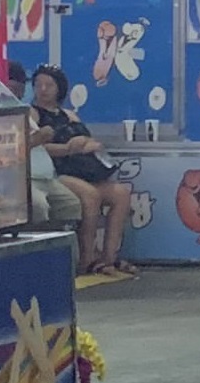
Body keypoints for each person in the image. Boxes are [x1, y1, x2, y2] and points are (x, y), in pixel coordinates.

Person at [23, 64, 138, 276]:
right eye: (38, 84)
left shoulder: (69, 114)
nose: (43, 89)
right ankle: (87, 257)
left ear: (60, 88)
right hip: (60, 171)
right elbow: (39, 147)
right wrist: (68, 149)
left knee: (121, 194)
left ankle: (109, 256)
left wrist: (88, 143)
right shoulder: (33, 114)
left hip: (84, 169)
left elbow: (87, 139)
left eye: (49, 84)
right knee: (90, 196)